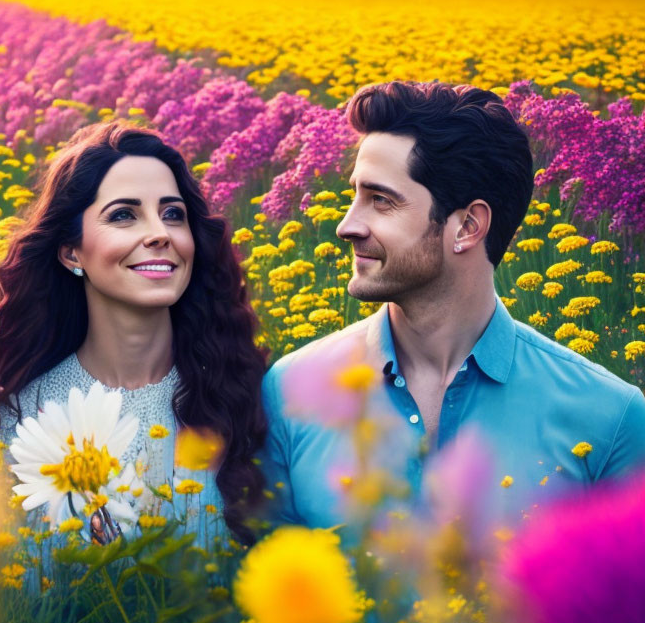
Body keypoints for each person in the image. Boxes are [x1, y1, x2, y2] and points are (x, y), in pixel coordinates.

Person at [261, 80, 645, 529]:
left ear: (467, 226)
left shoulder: (610, 417)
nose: (347, 225)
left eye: (380, 201)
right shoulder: (289, 393)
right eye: (354, 196)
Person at [0, 121, 267, 546]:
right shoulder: (21, 416)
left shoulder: (243, 396)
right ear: (72, 251)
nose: (160, 234)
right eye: (124, 215)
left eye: (172, 215)